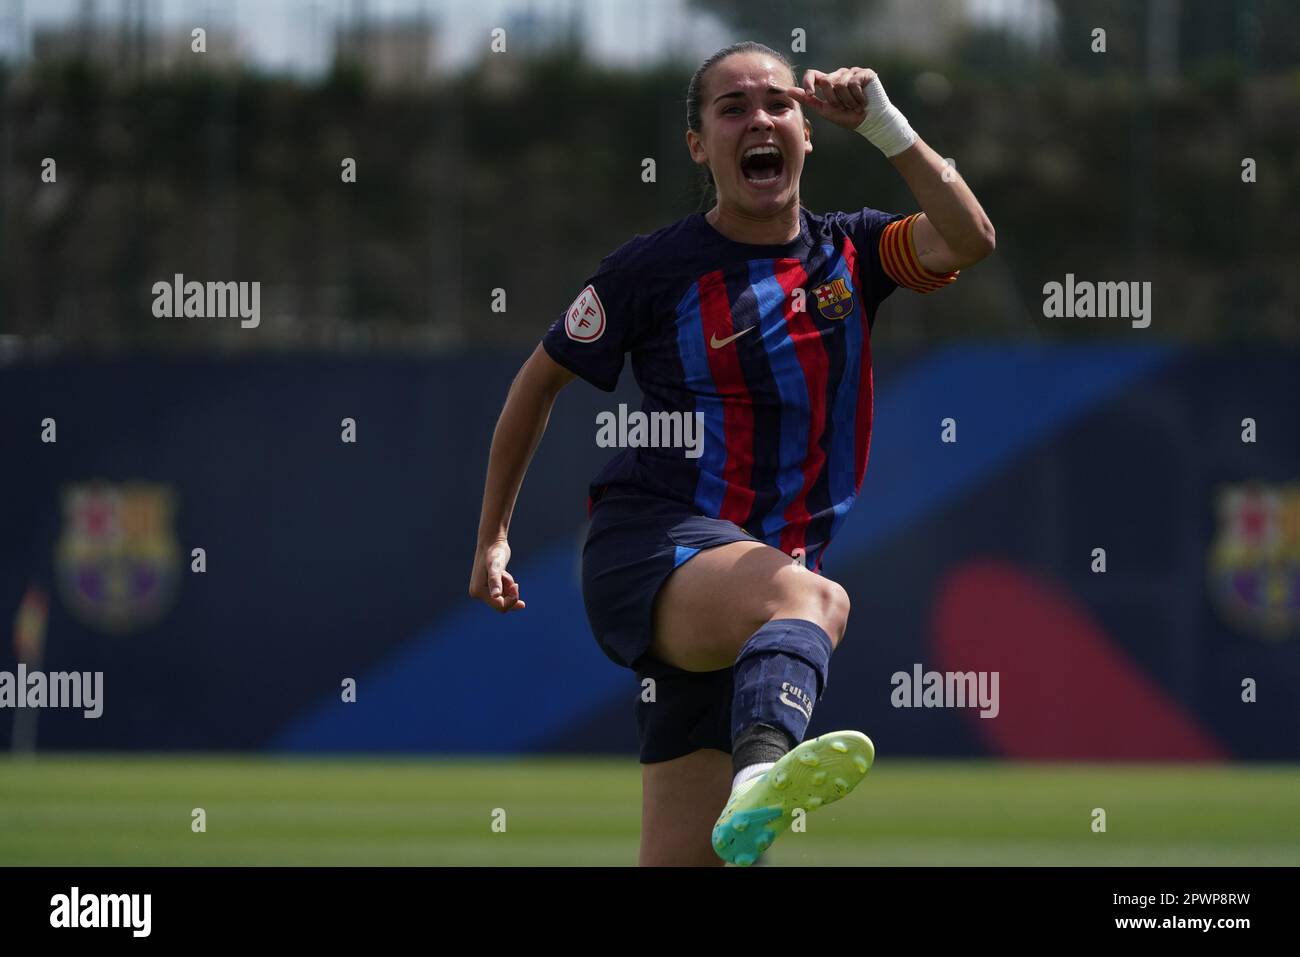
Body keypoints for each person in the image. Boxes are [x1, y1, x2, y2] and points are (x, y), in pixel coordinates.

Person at [469, 40, 994, 866]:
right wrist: (493, 535)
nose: (760, 119)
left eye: (779, 104)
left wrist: (888, 126)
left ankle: (754, 767)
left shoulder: (851, 253)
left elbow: (969, 238)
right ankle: (762, 768)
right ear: (697, 144)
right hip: (653, 550)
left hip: (747, 617)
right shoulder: (653, 269)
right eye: (733, 107)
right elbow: (536, 385)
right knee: (816, 601)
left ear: (807, 132)